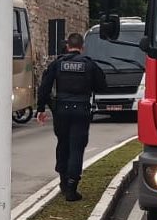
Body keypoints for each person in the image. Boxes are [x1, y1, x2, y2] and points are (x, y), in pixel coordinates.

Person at [36, 32, 107, 201]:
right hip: (81, 110)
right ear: (82, 48)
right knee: (77, 147)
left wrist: (41, 108)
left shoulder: (58, 63)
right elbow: (102, 86)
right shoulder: (90, 65)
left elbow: (44, 86)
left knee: (63, 144)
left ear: (67, 46)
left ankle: (62, 181)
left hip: (61, 110)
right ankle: (72, 187)